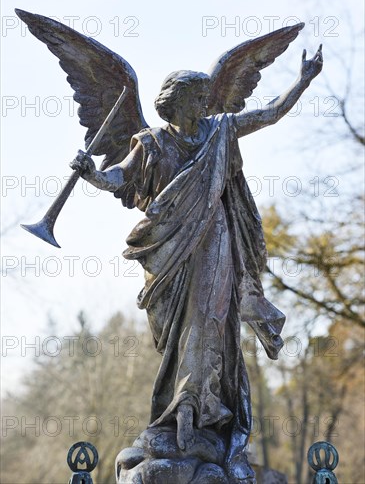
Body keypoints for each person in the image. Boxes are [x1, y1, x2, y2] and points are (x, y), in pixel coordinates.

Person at [71, 46, 322, 478]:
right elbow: (120, 179)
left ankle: (200, 411)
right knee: (179, 332)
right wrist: (90, 172)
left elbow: (268, 115)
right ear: (176, 99)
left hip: (217, 239)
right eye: (197, 97)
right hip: (168, 251)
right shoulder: (151, 143)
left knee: (212, 321)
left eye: (206, 96)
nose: (205, 103)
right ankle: (178, 411)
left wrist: (303, 81)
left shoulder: (219, 131)